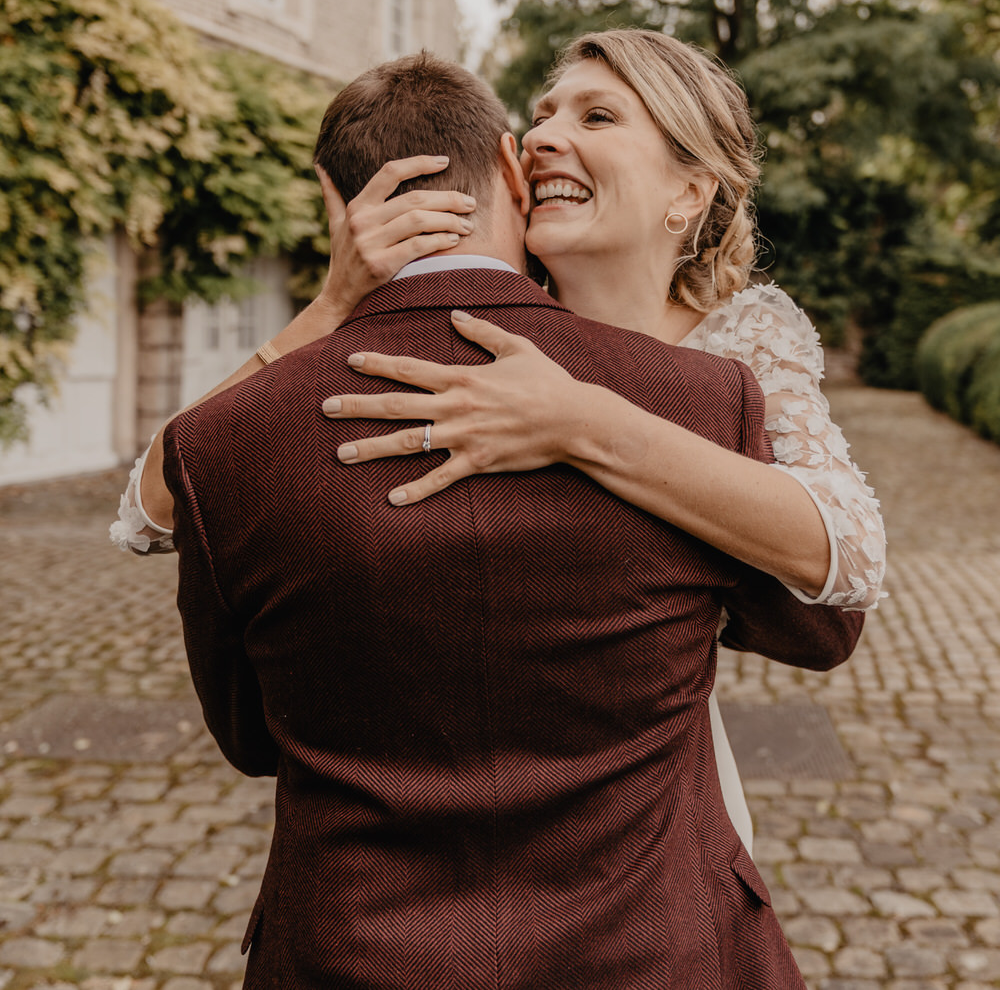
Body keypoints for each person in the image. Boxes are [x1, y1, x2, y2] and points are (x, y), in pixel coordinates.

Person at [160, 52, 863, 989]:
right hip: (649, 942)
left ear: (691, 192)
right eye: (541, 116)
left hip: (351, 952)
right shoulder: (703, 396)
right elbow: (811, 624)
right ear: (504, 165)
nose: (548, 134)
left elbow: (251, 740)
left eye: (597, 115)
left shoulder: (222, 440)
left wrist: (586, 421)